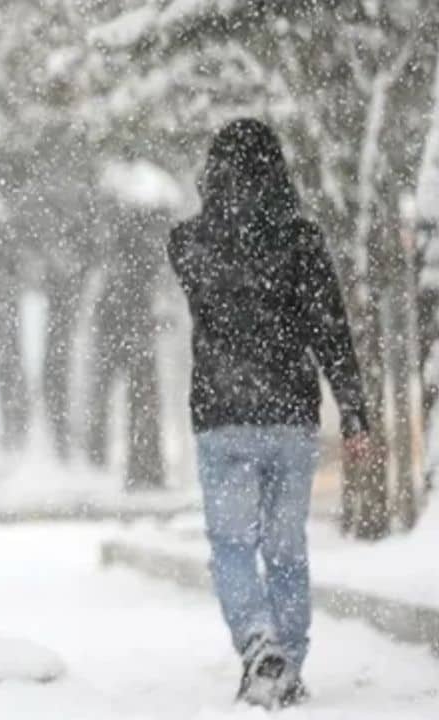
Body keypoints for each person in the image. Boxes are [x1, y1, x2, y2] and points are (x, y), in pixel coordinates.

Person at [168, 118, 371, 709]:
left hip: (223, 416)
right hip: (289, 416)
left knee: (232, 545)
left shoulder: (188, 242)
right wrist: (353, 409)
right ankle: (289, 661)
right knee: (285, 549)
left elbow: (213, 286)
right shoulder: (301, 241)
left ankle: (260, 645)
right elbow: (330, 329)